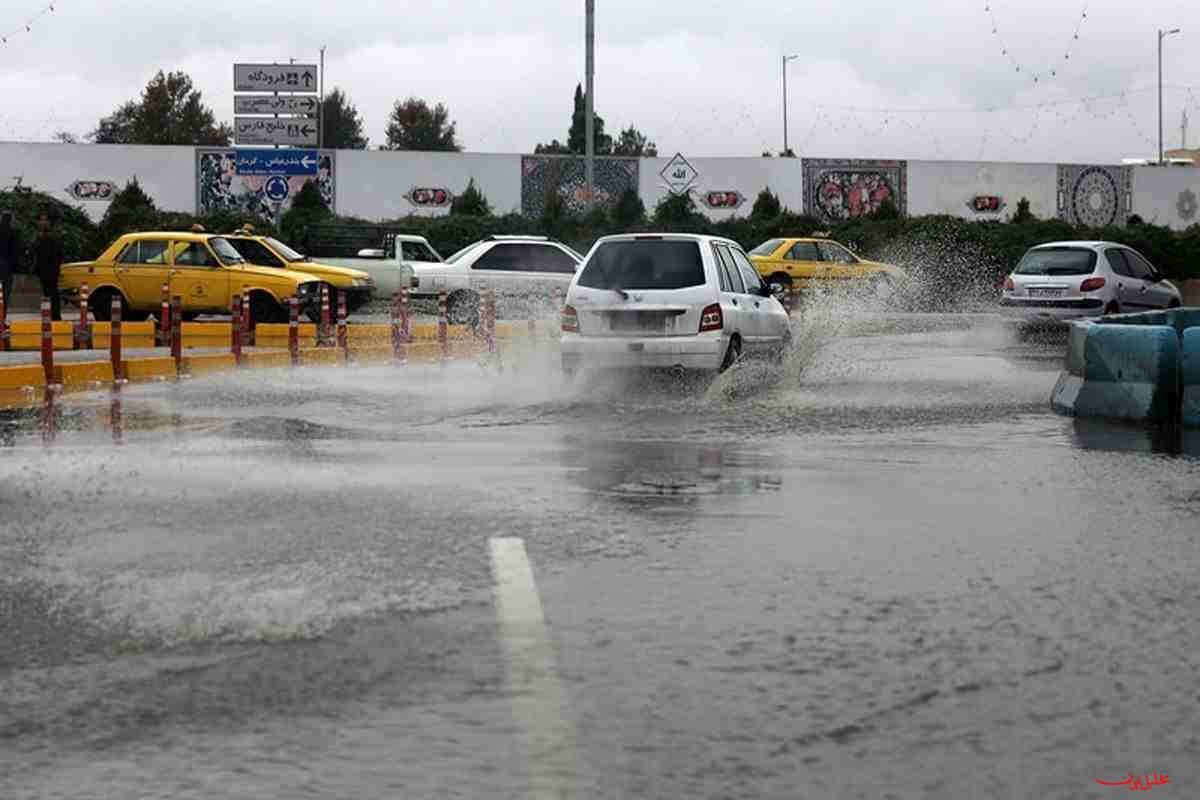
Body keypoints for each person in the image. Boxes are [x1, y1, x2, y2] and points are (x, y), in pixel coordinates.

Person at [33, 211, 64, 320]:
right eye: (41, 220)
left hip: (51, 269)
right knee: (47, 293)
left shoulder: (52, 237)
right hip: (43, 270)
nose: (43, 222)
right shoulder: (39, 237)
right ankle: (49, 315)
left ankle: (55, 316)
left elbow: (58, 254)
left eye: (45, 220)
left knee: (52, 293)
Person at [0, 211, 19, 308]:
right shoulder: (13, 232)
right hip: (6, 265)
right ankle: (2, 318)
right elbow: (14, 251)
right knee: (5, 292)